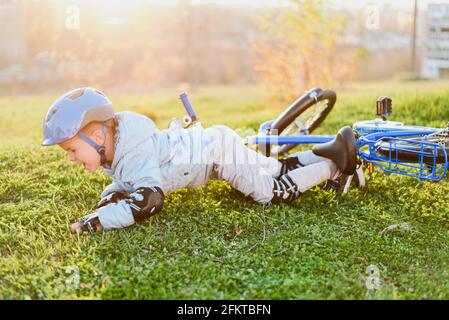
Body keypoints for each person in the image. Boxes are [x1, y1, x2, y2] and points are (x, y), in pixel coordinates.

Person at [42, 87, 357, 234]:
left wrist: (98, 222)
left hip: (217, 155)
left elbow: (147, 201)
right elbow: (123, 185)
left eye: (71, 149)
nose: (70, 158)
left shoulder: (133, 151)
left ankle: (335, 163)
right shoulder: (120, 148)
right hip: (215, 144)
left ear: (96, 137)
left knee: (270, 191)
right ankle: (329, 149)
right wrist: (103, 205)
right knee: (274, 167)